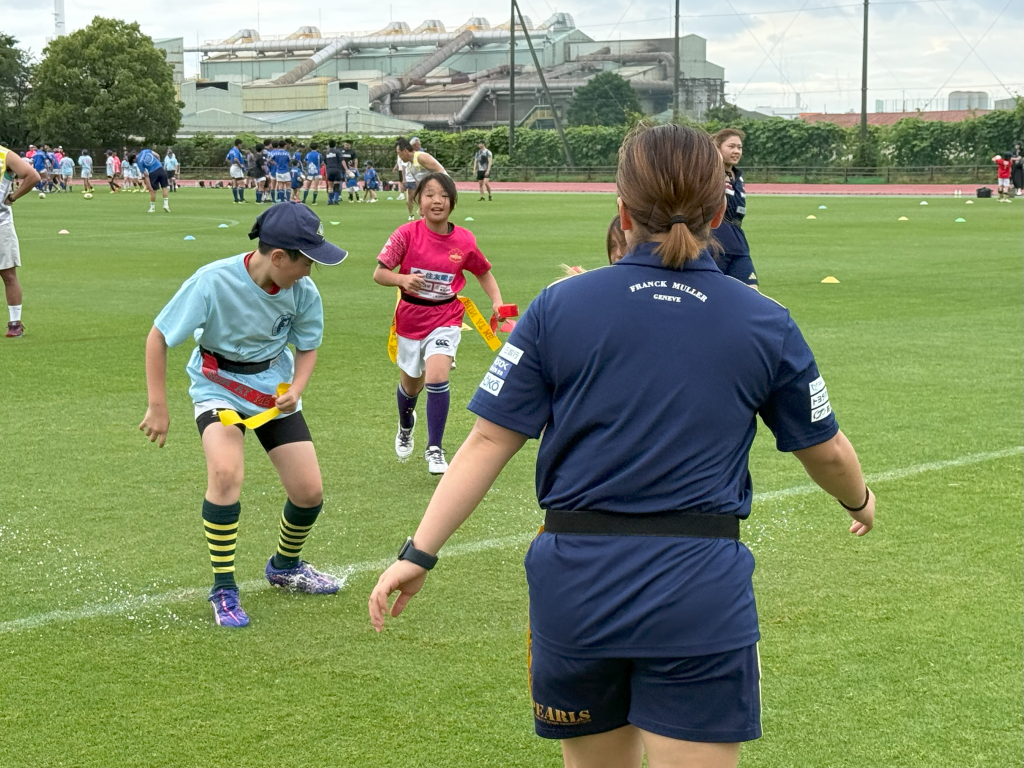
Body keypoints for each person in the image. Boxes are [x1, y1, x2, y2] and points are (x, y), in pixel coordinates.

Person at [368, 123, 876, 768]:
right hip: (698, 587)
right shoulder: (764, 319)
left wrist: (421, 552)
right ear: (720, 211)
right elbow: (825, 451)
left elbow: (489, 440)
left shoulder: (558, 305)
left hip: (575, 588)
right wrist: (859, 500)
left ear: (623, 211)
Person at [139, 204, 350, 628]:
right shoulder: (212, 282)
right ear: (277, 258)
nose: (310, 270)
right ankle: (223, 587)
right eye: (306, 260)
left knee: (308, 492)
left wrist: (296, 389)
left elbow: (307, 346)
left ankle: (285, 566)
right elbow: (159, 335)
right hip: (218, 387)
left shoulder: (304, 292)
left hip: (272, 392)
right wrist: (157, 405)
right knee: (225, 474)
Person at [372, 172, 504, 475]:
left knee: (437, 375)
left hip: (446, 317)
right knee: (411, 384)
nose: (437, 201)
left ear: (452, 202)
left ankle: (435, 448)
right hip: (410, 317)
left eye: (443, 195)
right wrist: (402, 279)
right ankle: (406, 424)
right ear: (419, 202)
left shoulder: (464, 240)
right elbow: (379, 273)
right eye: (430, 194)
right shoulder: (406, 234)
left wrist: (496, 301)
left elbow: (483, 271)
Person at [1, 144, 41, 338]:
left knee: (8, 274)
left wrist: (12, 197)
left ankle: (15, 324)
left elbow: (32, 176)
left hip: (1, 225)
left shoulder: (5, 155)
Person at [710, 129, 758, 289]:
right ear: (717, 148)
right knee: (713, 293)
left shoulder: (738, 176)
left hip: (738, 243)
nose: (736, 151)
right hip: (715, 243)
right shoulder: (709, 173)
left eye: (739, 147)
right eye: (731, 146)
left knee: (752, 294)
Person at [396, 138, 446, 221]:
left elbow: (441, 171)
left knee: (432, 220)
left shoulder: (421, 157)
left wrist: (442, 192)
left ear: (405, 151)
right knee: (425, 219)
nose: (399, 157)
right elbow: (420, 185)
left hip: (441, 191)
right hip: (430, 194)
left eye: (399, 153)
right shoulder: (411, 166)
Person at [136, 148, 170, 213]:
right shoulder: (145, 151)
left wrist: (148, 186)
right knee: (164, 187)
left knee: (153, 191)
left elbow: (145, 174)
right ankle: (166, 205)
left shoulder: (139, 162)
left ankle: (152, 208)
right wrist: (158, 163)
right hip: (160, 169)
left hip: (152, 172)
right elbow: (157, 155)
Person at [323, 140, 344, 206]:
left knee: (330, 187)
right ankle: (335, 200)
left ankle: (330, 200)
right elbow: (342, 160)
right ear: (335, 145)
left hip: (329, 170)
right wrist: (346, 169)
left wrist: (326, 172)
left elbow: (325, 164)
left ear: (329, 145)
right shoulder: (338, 152)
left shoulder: (327, 153)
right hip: (337, 170)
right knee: (337, 186)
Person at [227, 139, 246, 204]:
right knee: (241, 183)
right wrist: (240, 165)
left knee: (234, 183)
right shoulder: (236, 151)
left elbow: (227, 159)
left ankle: (236, 199)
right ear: (239, 144)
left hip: (232, 167)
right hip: (237, 167)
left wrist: (232, 163)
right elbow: (235, 158)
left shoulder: (231, 150)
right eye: (241, 145)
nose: (241, 146)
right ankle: (241, 199)